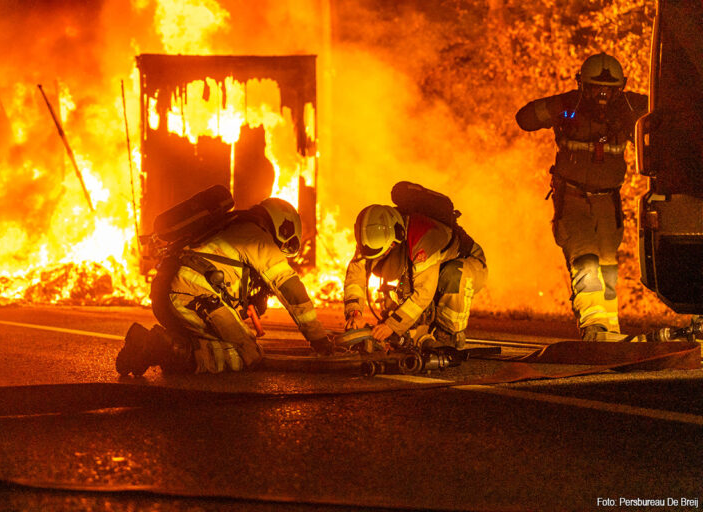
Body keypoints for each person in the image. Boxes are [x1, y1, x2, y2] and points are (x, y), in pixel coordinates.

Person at [116, 197, 334, 376]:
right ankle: (164, 348)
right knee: (248, 354)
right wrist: (318, 337)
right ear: (283, 227)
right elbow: (290, 288)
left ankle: (144, 344)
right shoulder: (258, 237)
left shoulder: (230, 227)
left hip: (167, 295)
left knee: (211, 343)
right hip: (194, 296)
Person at [515, 52, 648, 341]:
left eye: (609, 90)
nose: (602, 95)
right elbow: (524, 119)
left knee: (608, 264)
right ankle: (593, 325)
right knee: (585, 258)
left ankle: (610, 326)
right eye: (595, 88)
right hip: (573, 198)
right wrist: (559, 109)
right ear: (581, 85)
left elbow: (667, 115)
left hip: (607, 202)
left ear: (621, 87)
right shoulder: (568, 105)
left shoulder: (629, 109)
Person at [343, 203, 487, 349]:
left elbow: (423, 293)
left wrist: (392, 325)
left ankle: (449, 335)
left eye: (386, 251)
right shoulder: (371, 238)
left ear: (396, 238)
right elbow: (355, 276)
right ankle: (416, 328)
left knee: (453, 274)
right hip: (428, 266)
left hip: (470, 264)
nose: (383, 255)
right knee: (397, 277)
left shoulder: (424, 236)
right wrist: (354, 312)